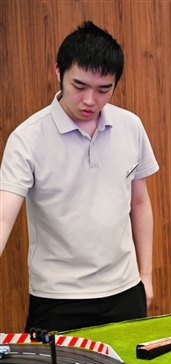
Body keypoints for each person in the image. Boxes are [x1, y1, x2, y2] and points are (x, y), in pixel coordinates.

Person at [0, 21, 158, 332]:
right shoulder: (27, 138)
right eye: (79, 86)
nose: (90, 100)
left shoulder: (130, 126)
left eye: (103, 90)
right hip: (58, 298)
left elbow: (139, 203)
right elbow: (3, 218)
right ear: (58, 72)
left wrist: (146, 277)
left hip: (125, 290)